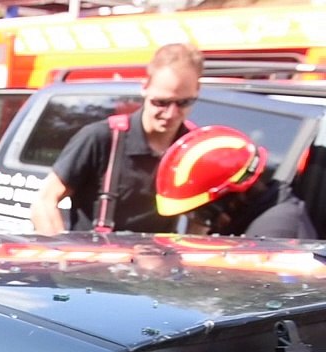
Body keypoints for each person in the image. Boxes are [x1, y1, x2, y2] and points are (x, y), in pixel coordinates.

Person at [32, 43, 204, 235]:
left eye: (184, 102)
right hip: (94, 260)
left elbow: (200, 222)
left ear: (197, 90)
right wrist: (61, 254)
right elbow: (44, 201)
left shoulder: (194, 148)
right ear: (145, 87)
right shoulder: (101, 138)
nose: (171, 113)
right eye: (161, 102)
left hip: (158, 262)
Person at [154, 124, 319, 241]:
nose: (193, 223)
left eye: (198, 214)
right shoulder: (257, 215)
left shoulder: (272, 235)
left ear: (231, 198)